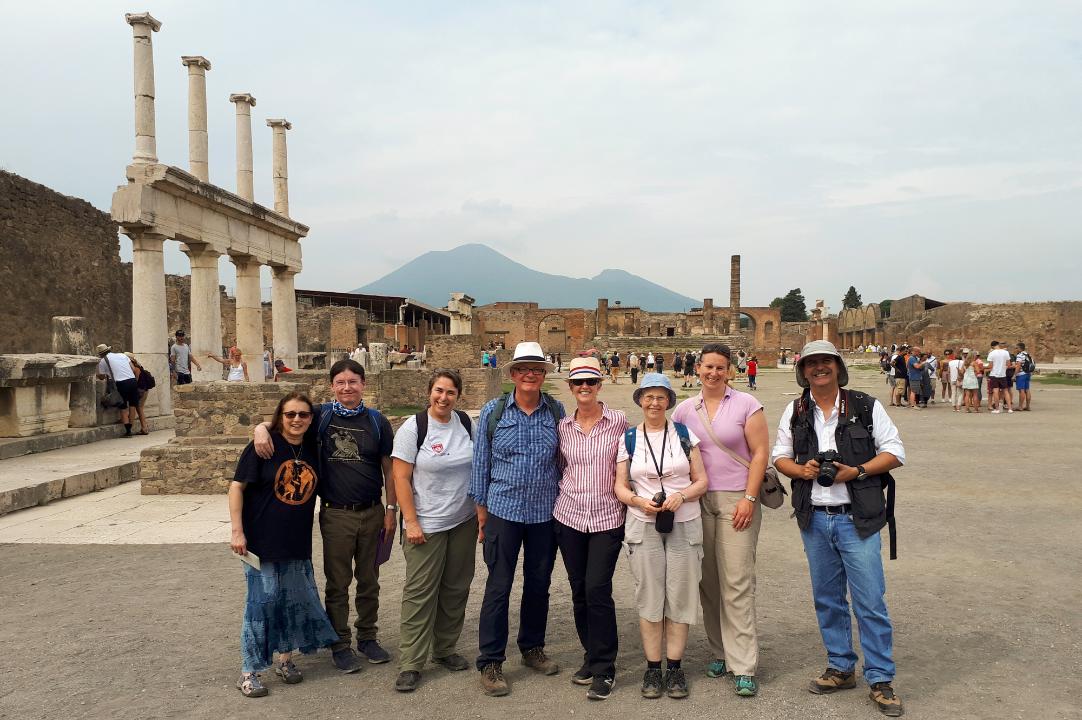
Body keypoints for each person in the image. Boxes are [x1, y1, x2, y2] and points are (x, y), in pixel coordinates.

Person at [771, 341, 905, 717]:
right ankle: (841, 666)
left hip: (857, 518)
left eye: (825, 362)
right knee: (827, 599)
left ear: (838, 366)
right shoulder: (796, 410)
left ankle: (879, 677)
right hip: (814, 517)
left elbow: (895, 451)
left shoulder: (865, 405)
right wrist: (801, 470)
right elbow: (780, 455)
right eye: (812, 363)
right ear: (804, 371)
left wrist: (857, 471)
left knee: (870, 601)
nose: (819, 368)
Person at [253, 359, 396, 673]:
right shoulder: (320, 416)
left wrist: (391, 508)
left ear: (363, 384)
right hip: (336, 514)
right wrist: (260, 428)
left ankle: (368, 636)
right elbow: (285, 419)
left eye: (353, 382)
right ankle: (340, 642)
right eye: (341, 382)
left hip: (372, 511)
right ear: (332, 386)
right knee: (338, 582)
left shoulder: (376, 422)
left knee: (370, 580)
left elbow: (388, 466)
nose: (347, 388)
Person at [671, 344, 769, 697]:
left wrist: (749, 497)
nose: (714, 373)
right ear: (697, 369)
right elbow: (675, 455)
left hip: (736, 500)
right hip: (698, 502)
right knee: (707, 582)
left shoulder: (746, 405)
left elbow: (760, 453)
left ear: (731, 371)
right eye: (708, 367)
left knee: (737, 581)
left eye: (721, 368)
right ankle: (719, 651)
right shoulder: (684, 410)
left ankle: (743, 664)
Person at [469, 342, 565, 696]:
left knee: (539, 584)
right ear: (512, 374)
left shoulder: (556, 411)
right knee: (498, 586)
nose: (530, 374)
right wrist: (482, 516)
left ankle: (531, 648)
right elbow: (480, 467)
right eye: (524, 368)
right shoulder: (494, 412)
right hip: (503, 511)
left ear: (543, 375)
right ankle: (491, 660)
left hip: (544, 513)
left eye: (537, 369)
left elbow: (564, 461)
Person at [229, 391, 339, 697]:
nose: (297, 420)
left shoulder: (312, 448)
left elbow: (341, 403)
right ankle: (249, 671)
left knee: (292, 600)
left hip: (295, 540)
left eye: (303, 414)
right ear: (280, 417)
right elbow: (237, 487)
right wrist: (237, 531)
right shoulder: (263, 446)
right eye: (290, 414)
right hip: (261, 540)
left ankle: (285, 659)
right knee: (261, 603)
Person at [615, 373, 708, 699]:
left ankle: (676, 666)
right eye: (648, 397)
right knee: (650, 596)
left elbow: (701, 481)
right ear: (640, 400)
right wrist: (640, 501)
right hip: (644, 523)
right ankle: (653, 668)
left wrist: (681, 496)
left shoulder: (684, 435)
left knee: (681, 596)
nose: (654, 403)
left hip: (684, 521)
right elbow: (620, 486)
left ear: (669, 400)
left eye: (661, 397)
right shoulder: (629, 439)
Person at [391, 370, 477, 692]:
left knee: (455, 588)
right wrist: (410, 521)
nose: (443, 398)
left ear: (458, 395)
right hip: (425, 523)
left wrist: (480, 515)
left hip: (462, 520)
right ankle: (412, 661)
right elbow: (400, 477)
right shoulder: (414, 428)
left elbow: (479, 466)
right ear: (429, 392)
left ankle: (445, 649)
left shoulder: (467, 425)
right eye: (438, 391)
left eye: (450, 392)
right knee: (420, 592)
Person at [553, 357, 628, 700]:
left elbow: (628, 467)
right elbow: (560, 467)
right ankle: (590, 653)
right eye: (578, 383)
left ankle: (605, 667)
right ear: (570, 387)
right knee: (579, 589)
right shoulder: (563, 426)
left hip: (606, 518)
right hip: (569, 516)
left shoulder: (619, 423)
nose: (585, 388)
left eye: (591, 383)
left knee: (598, 589)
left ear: (600, 386)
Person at [95, 343, 140, 437]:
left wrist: (99, 375)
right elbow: (133, 368)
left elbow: (102, 377)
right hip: (132, 380)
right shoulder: (122, 355)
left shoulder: (103, 361)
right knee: (132, 405)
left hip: (120, 383)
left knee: (123, 407)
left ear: (101, 354)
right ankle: (131, 427)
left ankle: (128, 431)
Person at [125, 352, 155, 435]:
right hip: (143, 389)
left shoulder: (136, 368)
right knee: (139, 408)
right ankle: (144, 427)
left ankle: (144, 428)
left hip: (140, 390)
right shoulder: (138, 366)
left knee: (139, 408)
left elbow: (136, 380)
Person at [985, 341, 1013, 414]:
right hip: (1003, 374)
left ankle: (997, 409)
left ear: (992, 346)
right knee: (1006, 391)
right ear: (998, 345)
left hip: (994, 374)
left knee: (995, 391)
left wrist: (984, 367)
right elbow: (1008, 364)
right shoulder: (1005, 352)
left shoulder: (992, 353)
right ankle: (1010, 408)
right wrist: (1003, 368)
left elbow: (990, 366)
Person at [1014, 342, 1033, 411]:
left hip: (1021, 374)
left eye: (1016, 348)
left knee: (1021, 390)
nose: (1015, 349)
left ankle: (1020, 406)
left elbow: (1018, 366)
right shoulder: (1028, 355)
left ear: (1019, 348)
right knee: (1027, 390)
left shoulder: (1020, 355)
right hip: (1028, 374)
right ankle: (1028, 406)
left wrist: (1014, 375)